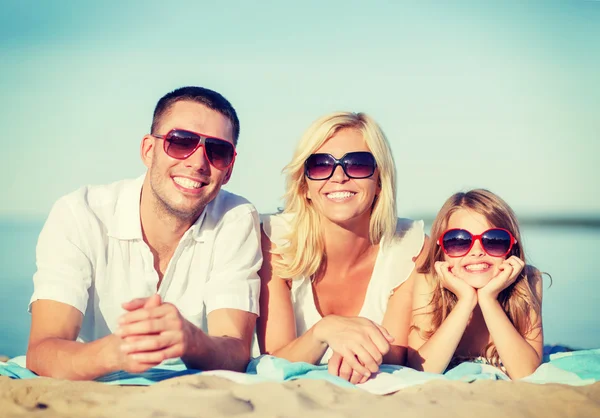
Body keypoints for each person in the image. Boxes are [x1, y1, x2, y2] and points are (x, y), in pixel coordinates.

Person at [26, 86, 262, 380]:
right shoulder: (80, 213)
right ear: (148, 151)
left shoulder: (236, 219)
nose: (198, 162)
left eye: (217, 151)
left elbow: (236, 352)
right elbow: (42, 351)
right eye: (181, 142)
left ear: (228, 169)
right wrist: (115, 352)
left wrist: (191, 340)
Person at [256, 112, 426, 384]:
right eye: (321, 165)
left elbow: (397, 358)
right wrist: (324, 330)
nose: (338, 176)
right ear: (305, 186)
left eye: (357, 164)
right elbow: (276, 360)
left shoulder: (410, 248)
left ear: (380, 182)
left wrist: (357, 357)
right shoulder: (274, 241)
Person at [408, 189, 544, 379]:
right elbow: (421, 370)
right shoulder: (429, 281)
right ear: (441, 249)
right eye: (459, 241)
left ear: (511, 245)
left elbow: (526, 373)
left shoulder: (528, 280)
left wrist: (489, 299)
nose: (477, 251)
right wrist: (466, 301)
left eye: (494, 240)